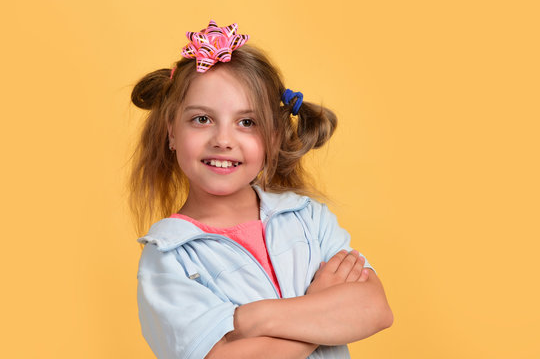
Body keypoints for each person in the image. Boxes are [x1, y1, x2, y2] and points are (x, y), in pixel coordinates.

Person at [131, 20, 393, 359]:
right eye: (201, 119)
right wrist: (318, 308)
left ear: (271, 138)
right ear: (171, 133)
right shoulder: (169, 257)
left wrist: (250, 318)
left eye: (246, 122)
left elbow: (375, 309)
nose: (223, 140)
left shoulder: (308, 218)